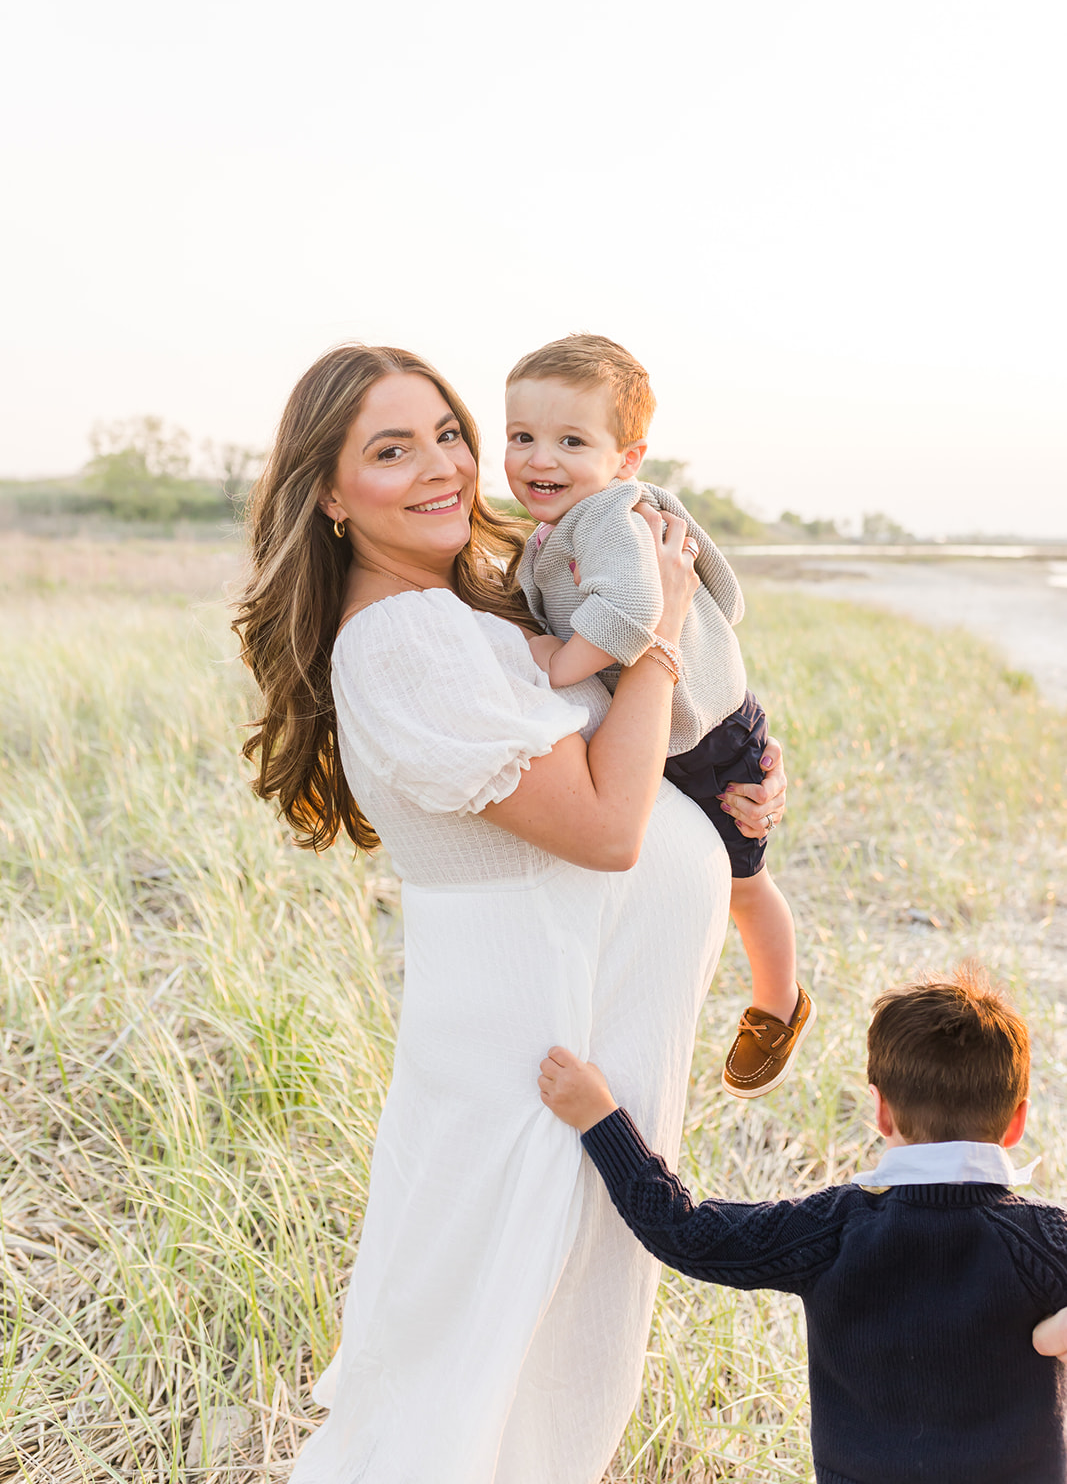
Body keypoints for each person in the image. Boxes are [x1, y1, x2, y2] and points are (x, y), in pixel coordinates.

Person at [232, 343, 787, 1484]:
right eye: (392, 449)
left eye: (446, 433)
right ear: (328, 492)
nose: (443, 466)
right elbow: (603, 829)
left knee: (529, 1370)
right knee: (472, 1378)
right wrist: (660, 632)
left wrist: (737, 781)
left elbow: (629, 763)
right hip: (527, 1066)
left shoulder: (464, 615)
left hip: (576, 1050)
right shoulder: (404, 639)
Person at [538, 965, 1067, 1484]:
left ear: (880, 1112)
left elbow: (684, 1232)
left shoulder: (834, 1229)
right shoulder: (1046, 1241)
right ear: (1017, 1121)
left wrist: (599, 1118)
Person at [507, 333, 811, 1098]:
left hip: (705, 735)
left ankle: (777, 1003)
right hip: (680, 724)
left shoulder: (608, 514)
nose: (540, 459)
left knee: (746, 883)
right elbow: (725, 595)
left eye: (570, 441)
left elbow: (639, 608)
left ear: (626, 458)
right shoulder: (552, 529)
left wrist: (556, 662)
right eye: (521, 437)